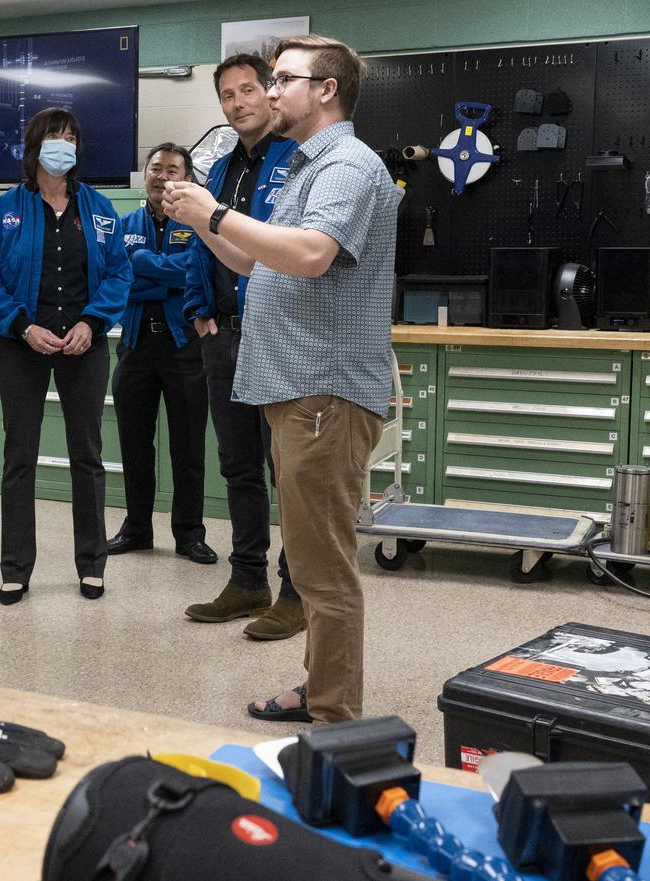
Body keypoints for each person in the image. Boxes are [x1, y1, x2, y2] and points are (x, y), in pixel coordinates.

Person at [164, 34, 400, 724]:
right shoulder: (306, 168)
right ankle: (320, 686)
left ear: (326, 89)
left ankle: (334, 720)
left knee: (324, 572)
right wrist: (201, 217)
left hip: (323, 391)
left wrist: (211, 211)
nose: (268, 93)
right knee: (310, 553)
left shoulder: (348, 165)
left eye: (283, 80)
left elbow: (310, 254)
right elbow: (253, 262)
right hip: (297, 391)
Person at [0, 107, 131, 605]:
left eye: (70, 138)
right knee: (19, 457)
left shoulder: (99, 208)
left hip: (83, 346)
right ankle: (15, 568)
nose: (63, 145)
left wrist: (93, 322)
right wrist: (22, 326)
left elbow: (118, 275)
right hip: (24, 346)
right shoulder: (8, 210)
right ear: (35, 147)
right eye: (54, 137)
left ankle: (92, 563)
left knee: (87, 456)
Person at [179, 54, 305, 641]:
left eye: (249, 90)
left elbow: (284, 249)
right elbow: (203, 245)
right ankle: (248, 578)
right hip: (223, 337)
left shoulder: (300, 160)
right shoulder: (222, 169)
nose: (238, 104)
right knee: (238, 467)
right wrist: (199, 312)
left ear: (271, 93)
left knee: (290, 471)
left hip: (278, 338)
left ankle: (296, 590)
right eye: (227, 95)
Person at [106, 143, 216, 566]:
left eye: (173, 169)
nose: (162, 175)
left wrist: (143, 263)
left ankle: (190, 534)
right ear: (145, 173)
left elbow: (195, 272)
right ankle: (136, 529)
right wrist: (162, 274)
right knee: (134, 444)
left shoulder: (199, 223)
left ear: (185, 177)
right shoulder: (122, 224)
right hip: (135, 346)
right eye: (156, 168)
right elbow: (119, 283)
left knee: (188, 446)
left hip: (184, 347)